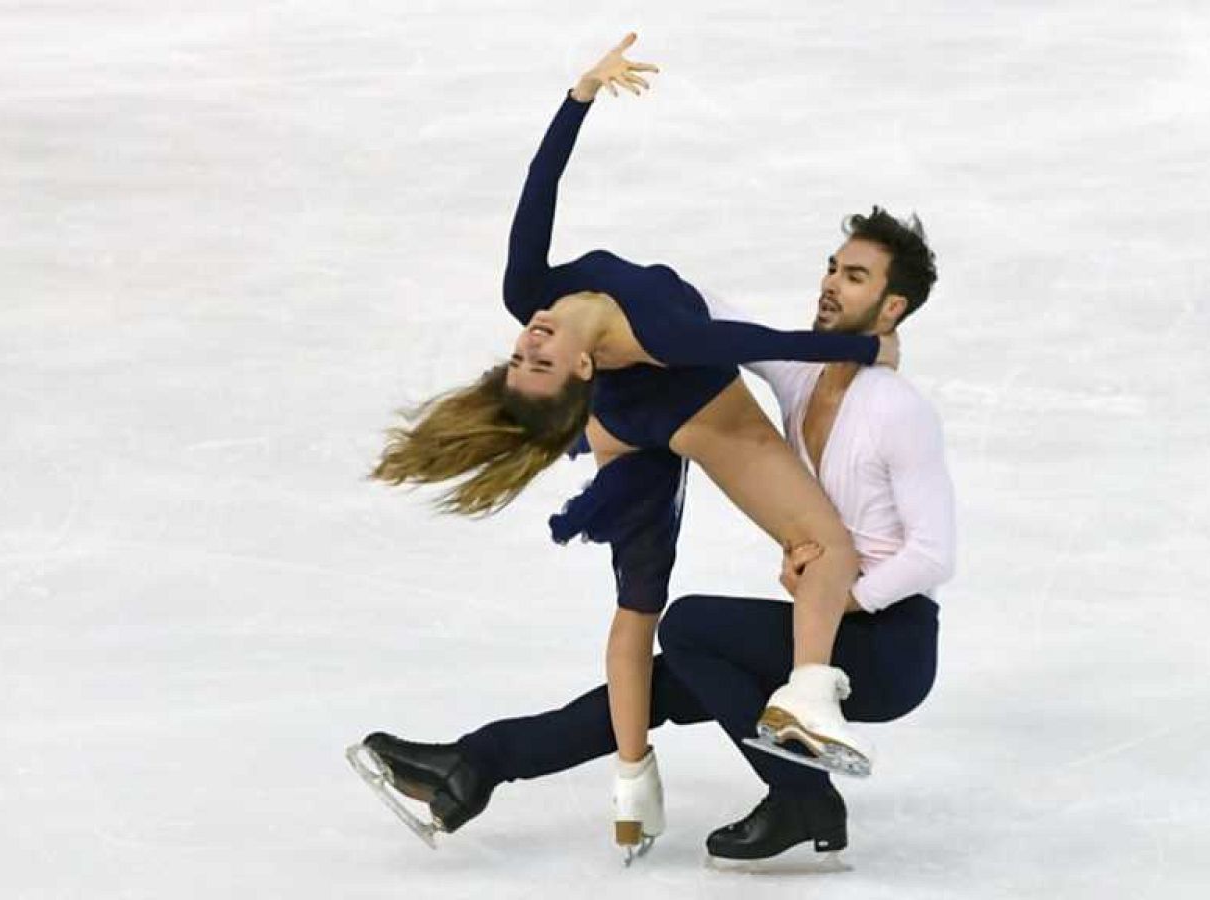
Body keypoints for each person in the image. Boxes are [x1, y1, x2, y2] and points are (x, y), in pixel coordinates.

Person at [361, 34, 892, 853]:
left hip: (622, 423)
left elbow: (539, 194)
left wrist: (578, 96)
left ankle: (624, 785)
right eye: (540, 359)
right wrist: (864, 349)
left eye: (521, 355)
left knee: (636, 613)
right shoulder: (668, 335)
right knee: (824, 545)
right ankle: (807, 702)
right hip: (691, 412)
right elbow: (749, 338)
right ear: (578, 367)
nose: (530, 339)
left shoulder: (529, 294)